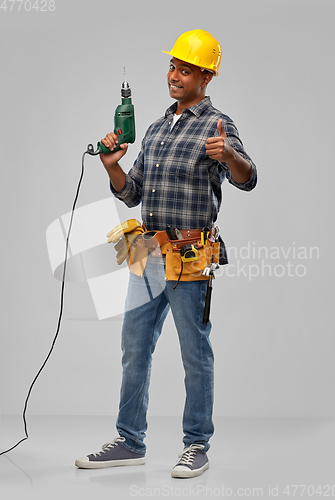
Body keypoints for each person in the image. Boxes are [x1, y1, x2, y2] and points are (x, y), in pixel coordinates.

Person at [75, 29, 257, 478]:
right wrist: (114, 168)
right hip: (147, 257)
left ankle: (197, 445)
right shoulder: (155, 129)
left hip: (191, 258)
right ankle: (130, 440)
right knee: (134, 350)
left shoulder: (218, 126)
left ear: (207, 76)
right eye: (172, 67)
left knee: (195, 354)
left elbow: (248, 178)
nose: (175, 75)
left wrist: (229, 155)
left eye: (186, 69)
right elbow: (132, 193)